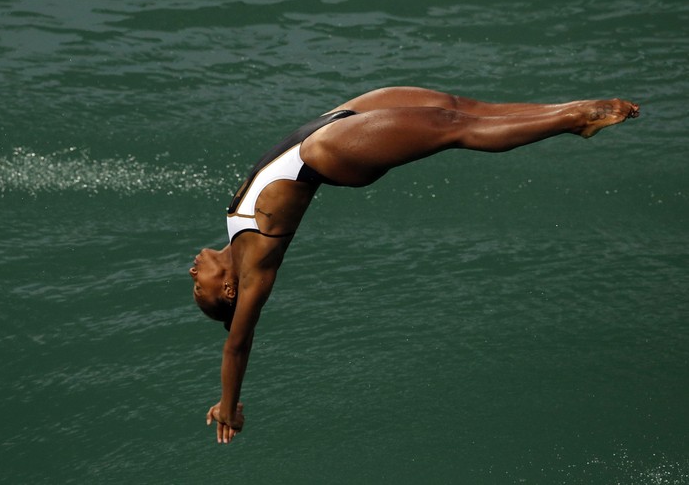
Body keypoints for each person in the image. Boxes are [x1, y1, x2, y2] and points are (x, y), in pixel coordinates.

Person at [189, 86, 639, 444]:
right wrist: (230, 405)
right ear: (228, 291)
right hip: (330, 153)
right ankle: (574, 120)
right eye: (199, 288)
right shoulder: (254, 273)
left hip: (329, 124)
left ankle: (565, 109)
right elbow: (237, 344)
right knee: (453, 126)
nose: (192, 274)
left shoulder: (233, 234)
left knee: (459, 106)